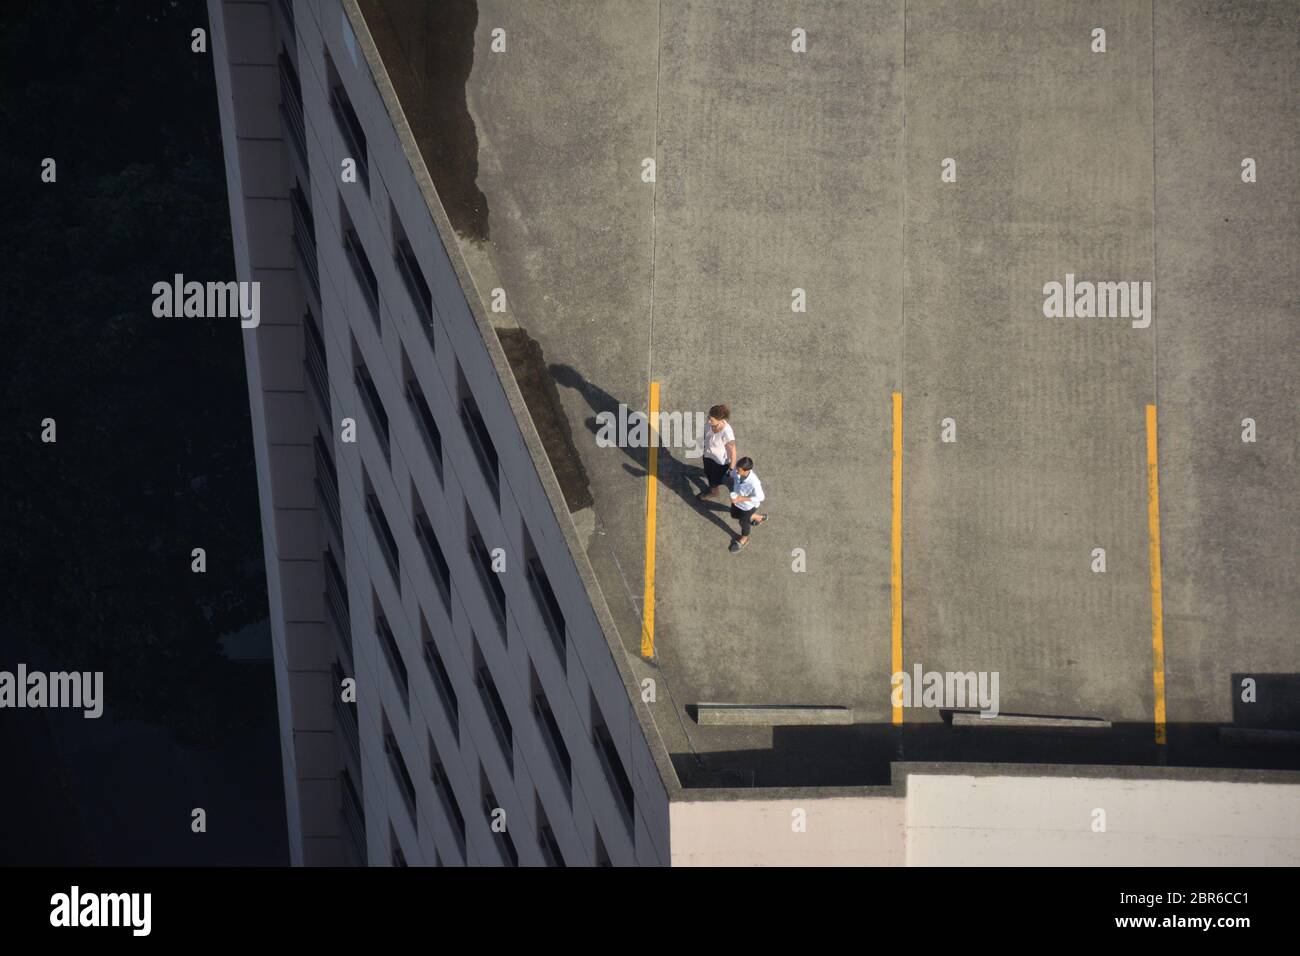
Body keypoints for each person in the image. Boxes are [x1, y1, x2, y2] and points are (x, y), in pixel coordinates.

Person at [695, 404, 737, 502]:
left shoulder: (727, 432)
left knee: (713, 478)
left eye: (711, 420)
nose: (708, 421)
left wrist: (731, 469)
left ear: (721, 420)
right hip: (708, 455)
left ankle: (714, 492)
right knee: (708, 471)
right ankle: (715, 482)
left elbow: (733, 452)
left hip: (719, 462)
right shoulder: (710, 424)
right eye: (709, 417)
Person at [727, 457, 767, 552]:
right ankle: (758, 517)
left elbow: (761, 497)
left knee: (743, 522)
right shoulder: (737, 472)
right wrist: (729, 473)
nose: (736, 470)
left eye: (739, 470)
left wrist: (742, 498)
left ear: (747, 470)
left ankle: (744, 539)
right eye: (736, 468)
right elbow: (732, 474)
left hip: (748, 507)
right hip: (737, 502)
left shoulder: (754, 482)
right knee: (733, 515)